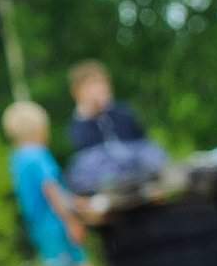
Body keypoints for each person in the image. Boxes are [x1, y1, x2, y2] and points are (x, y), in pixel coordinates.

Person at [3, 101, 98, 266]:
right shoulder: (38, 156)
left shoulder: (18, 160)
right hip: (56, 225)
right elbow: (52, 190)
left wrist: (77, 202)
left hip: (41, 227)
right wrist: (72, 220)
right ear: (39, 128)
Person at [64, 60, 166, 193]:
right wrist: (91, 113)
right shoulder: (78, 126)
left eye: (102, 83)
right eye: (92, 85)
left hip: (140, 178)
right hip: (108, 186)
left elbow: (146, 144)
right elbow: (88, 161)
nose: (100, 89)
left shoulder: (123, 113)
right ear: (77, 92)